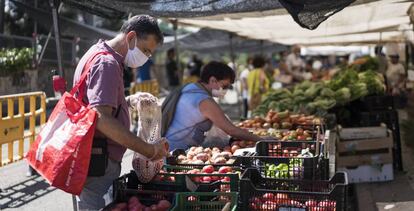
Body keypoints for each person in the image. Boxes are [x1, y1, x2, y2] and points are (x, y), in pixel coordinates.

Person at [72, 15, 169, 210]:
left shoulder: (96, 52)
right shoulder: (106, 64)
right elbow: (102, 118)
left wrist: (127, 102)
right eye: (145, 50)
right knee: (95, 205)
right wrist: (148, 150)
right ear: (131, 37)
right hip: (99, 159)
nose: (146, 57)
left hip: (94, 155)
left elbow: (95, 105)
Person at [164, 61, 261, 151]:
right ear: (213, 80)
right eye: (225, 86)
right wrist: (261, 140)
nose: (226, 90)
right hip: (176, 150)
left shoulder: (190, 88)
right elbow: (231, 130)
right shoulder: (204, 100)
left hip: (169, 145)